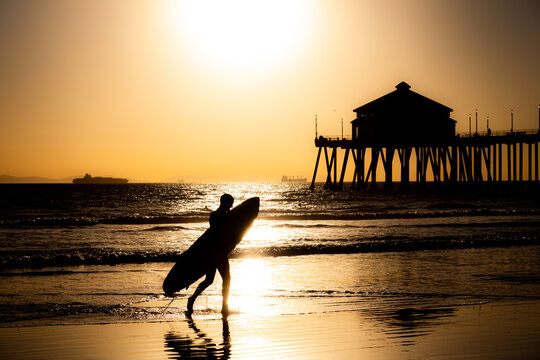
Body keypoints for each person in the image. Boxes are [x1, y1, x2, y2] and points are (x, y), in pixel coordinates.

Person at [186, 193, 234, 316]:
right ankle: (222, 306)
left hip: (216, 253)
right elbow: (215, 233)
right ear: (224, 203)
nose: (232, 205)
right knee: (217, 280)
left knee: (211, 280)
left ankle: (194, 299)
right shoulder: (216, 216)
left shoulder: (222, 215)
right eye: (230, 203)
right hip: (215, 253)